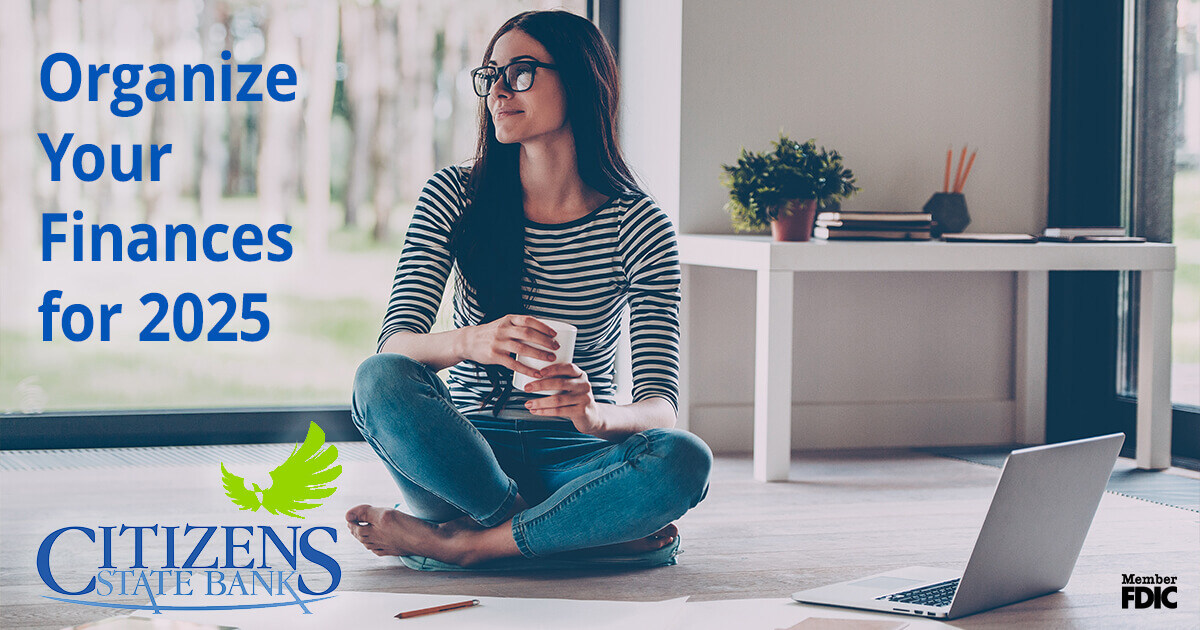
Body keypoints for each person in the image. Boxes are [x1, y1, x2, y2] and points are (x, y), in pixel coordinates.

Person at [346, 9, 711, 568]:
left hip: (577, 454)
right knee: (377, 379)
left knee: (685, 459)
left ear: (581, 79)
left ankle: (465, 544)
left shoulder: (637, 223)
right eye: (489, 74)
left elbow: (662, 407)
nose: (496, 90)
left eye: (519, 72)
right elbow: (395, 346)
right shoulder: (454, 195)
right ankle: (557, 529)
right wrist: (471, 341)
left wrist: (595, 416)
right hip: (464, 459)